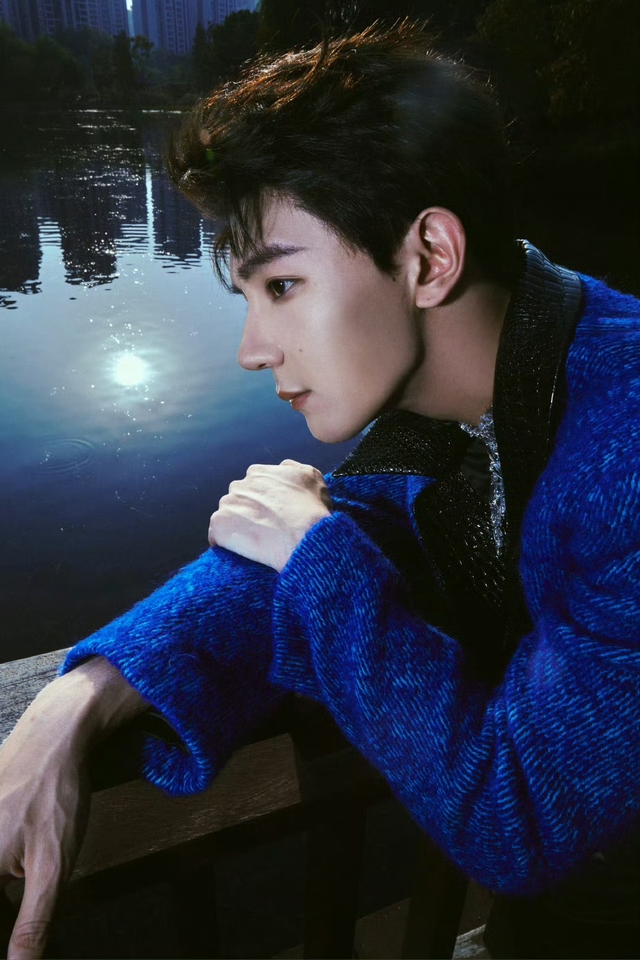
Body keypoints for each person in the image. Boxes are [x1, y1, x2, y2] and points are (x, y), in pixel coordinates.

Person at [1, 21, 639, 960]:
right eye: (248, 296)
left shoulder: (624, 446)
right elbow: (310, 545)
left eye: (283, 286)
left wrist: (316, 554)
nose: (251, 349)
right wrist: (80, 697)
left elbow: (520, 818)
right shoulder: (483, 379)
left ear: (430, 257)